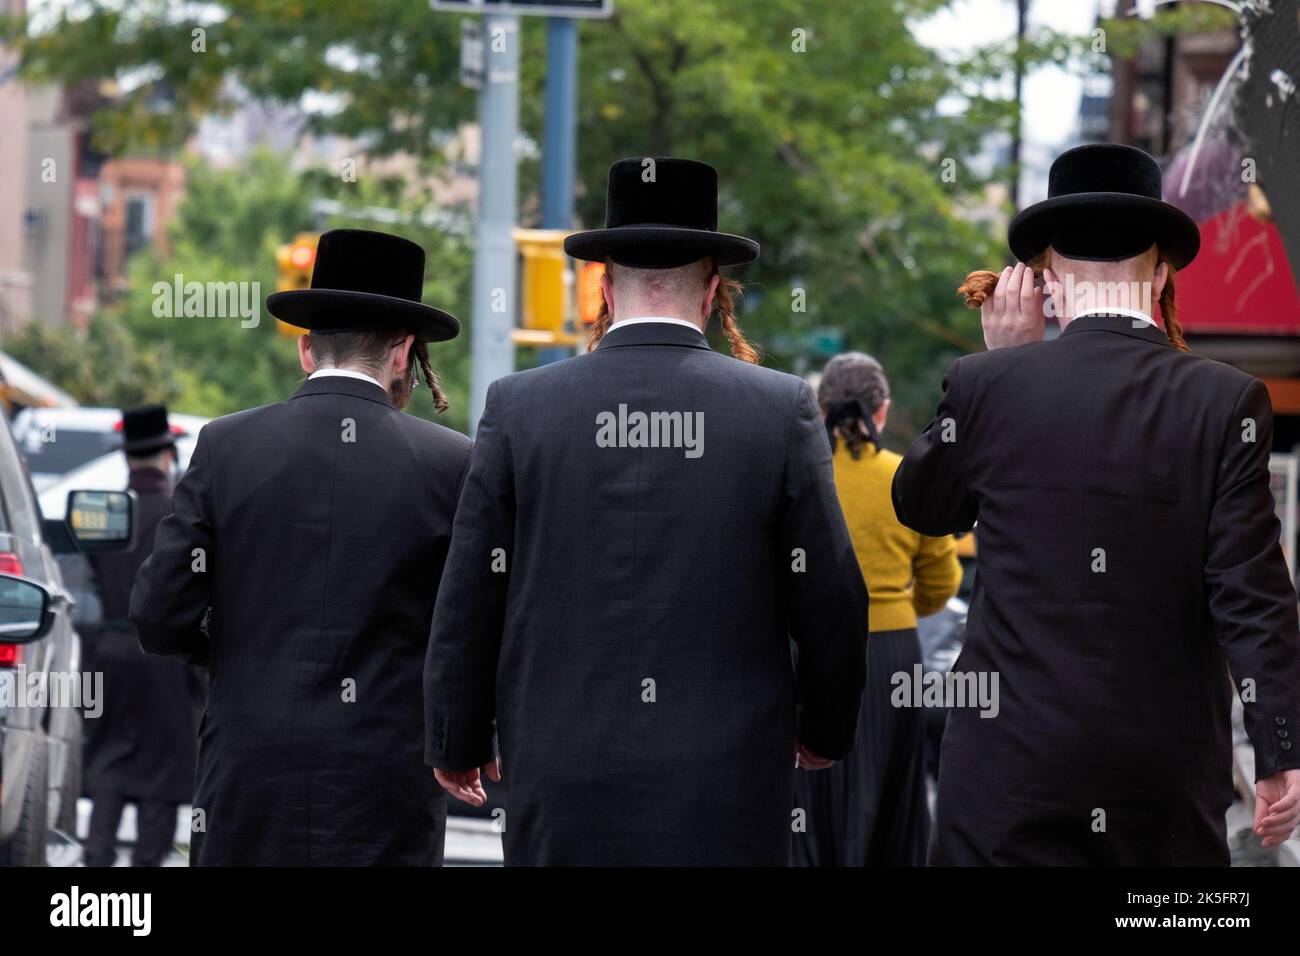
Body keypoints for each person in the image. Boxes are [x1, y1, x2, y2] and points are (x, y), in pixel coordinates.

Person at [424, 157, 869, 866]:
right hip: (728, 775)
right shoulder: (779, 409)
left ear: (602, 288)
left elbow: (471, 588)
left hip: (561, 765)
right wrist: (825, 728)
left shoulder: (520, 407)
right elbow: (832, 593)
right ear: (712, 290)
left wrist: (458, 738)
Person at [893, 143, 1300, 865]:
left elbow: (926, 506)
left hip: (1005, 768)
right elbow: (1252, 595)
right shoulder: (1225, 398)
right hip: (1160, 772)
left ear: (1046, 277)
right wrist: (1280, 750)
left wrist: (1000, 359)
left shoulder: (987, 385)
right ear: (1163, 271)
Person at [130, 229, 470, 866]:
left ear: (305, 349)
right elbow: (467, 630)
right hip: (383, 780)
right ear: (403, 352)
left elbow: (157, 616)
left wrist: (237, 651)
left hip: (247, 774)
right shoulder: (451, 464)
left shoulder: (226, 446)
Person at [793, 353, 961, 867]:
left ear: (820, 409)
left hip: (807, 650)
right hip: (893, 655)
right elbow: (942, 581)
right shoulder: (905, 475)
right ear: (882, 411)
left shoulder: (799, 473)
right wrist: (896, 607)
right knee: (893, 790)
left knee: (808, 790)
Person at [81, 405, 202, 867]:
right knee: (163, 768)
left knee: (110, 757)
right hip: (167, 658)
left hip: (110, 652)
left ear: (126, 458)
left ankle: (96, 858)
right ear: (169, 455)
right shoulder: (181, 514)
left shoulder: (102, 512)